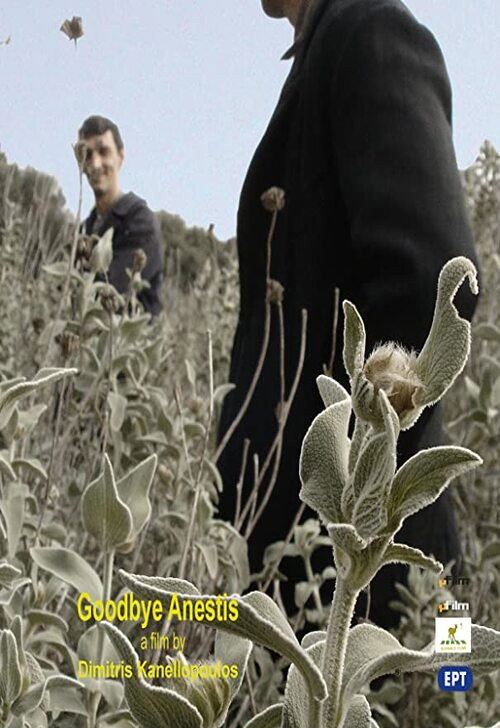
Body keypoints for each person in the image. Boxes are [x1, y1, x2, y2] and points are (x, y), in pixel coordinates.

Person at [217, 0, 479, 628]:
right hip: (324, 563)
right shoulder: (325, 49)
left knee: (448, 682)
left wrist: (353, 498)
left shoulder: (371, 32)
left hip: (378, 572)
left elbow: (434, 280)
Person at [79, 115, 163, 315]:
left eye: (103, 152)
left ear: (120, 157)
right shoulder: (85, 228)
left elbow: (112, 293)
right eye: (87, 155)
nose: (95, 164)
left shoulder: (140, 221)